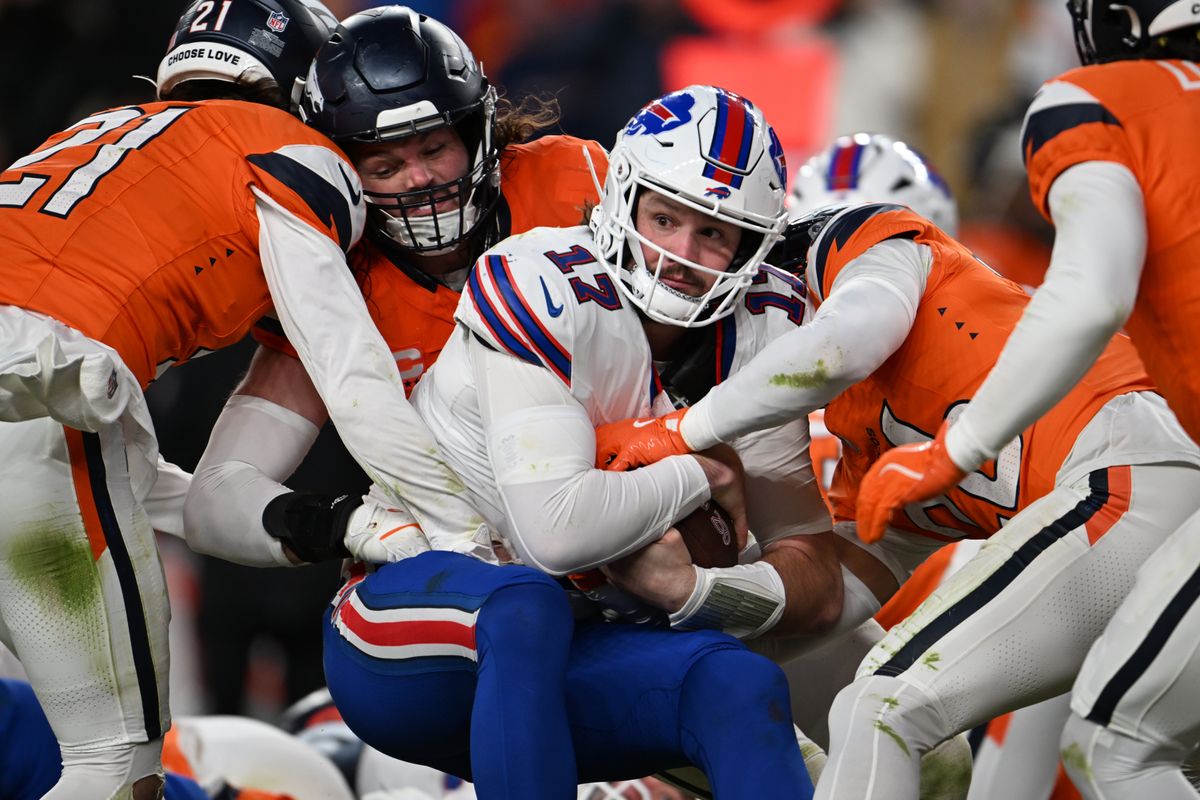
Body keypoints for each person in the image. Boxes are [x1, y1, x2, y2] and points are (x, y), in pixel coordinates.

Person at [592, 155, 1200, 798]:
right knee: (1119, 760)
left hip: (1136, 467)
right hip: (1135, 515)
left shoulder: (852, 242)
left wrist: (679, 432)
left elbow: (847, 342)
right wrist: (694, 597)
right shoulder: (867, 451)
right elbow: (827, 603)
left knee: (885, 705)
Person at [0, 0, 486, 795]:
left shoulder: (99, 135)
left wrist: (339, 524)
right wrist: (463, 537)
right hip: (42, 394)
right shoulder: (282, 147)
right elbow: (353, 375)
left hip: (39, 385)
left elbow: (145, 484)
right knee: (117, 770)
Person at [318, 84, 815, 799]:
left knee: (737, 680)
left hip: (578, 648)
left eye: (715, 233)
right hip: (411, 632)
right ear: (622, 202)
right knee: (525, 605)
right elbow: (555, 533)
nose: (682, 255)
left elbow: (813, 569)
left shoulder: (767, 327)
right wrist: (699, 471)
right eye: (665, 218)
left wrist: (700, 591)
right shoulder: (544, 279)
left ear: (753, 246)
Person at [847, 3, 1200, 797]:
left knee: (1114, 744)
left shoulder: (1104, 99)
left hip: (1131, 478)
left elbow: (1089, 295)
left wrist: (955, 448)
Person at [182, 4, 608, 569]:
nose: (420, 179)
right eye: (384, 167)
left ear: (475, 132)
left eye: (434, 149)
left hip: (615, 502)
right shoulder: (330, 279)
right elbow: (216, 494)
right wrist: (352, 526)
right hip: (470, 556)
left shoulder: (573, 181)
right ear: (340, 172)